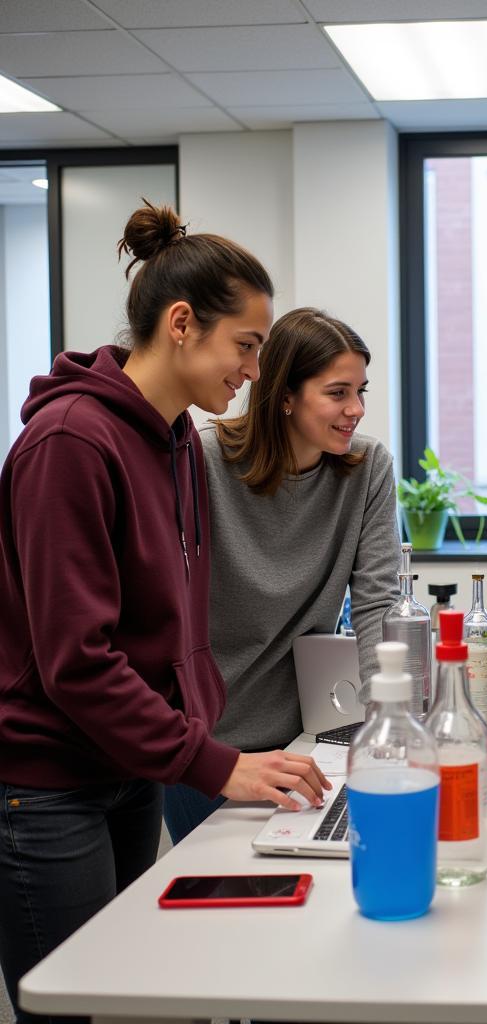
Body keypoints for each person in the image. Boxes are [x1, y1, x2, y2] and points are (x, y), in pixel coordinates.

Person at [0, 203, 327, 1024]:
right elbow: (77, 661)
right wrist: (214, 762)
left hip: (128, 769)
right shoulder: (71, 442)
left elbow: (172, 625)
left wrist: (192, 746)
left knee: (132, 996)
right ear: (182, 324)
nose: (257, 370)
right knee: (71, 1007)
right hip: (46, 786)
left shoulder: (177, 436)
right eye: (247, 345)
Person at [163, 307, 401, 842]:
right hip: (206, 745)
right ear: (285, 395)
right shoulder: (200, 460)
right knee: (219, 904)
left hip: (306, 740)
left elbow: (376, 603)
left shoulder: (367, 468)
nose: (356, 410)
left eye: (362, 391)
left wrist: (391, 721)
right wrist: (196, 749)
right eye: (337, 393)